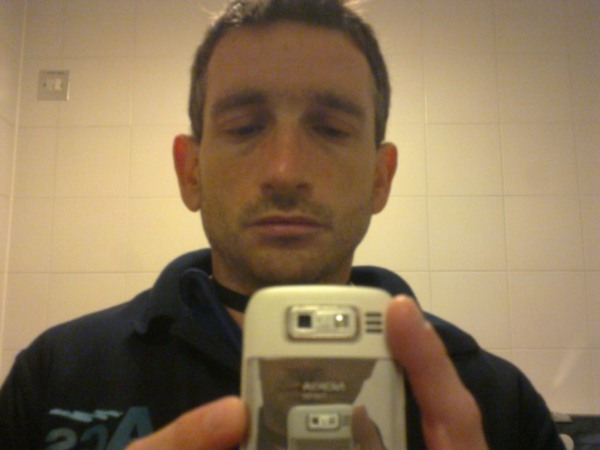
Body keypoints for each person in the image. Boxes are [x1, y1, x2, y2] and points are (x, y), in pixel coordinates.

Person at [0, 0, 564, 449]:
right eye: (245, 128)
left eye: (331, 129)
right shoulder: (56, 375)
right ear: (190, 171)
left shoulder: (498, 401)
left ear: (380, 178)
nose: (285, 172)